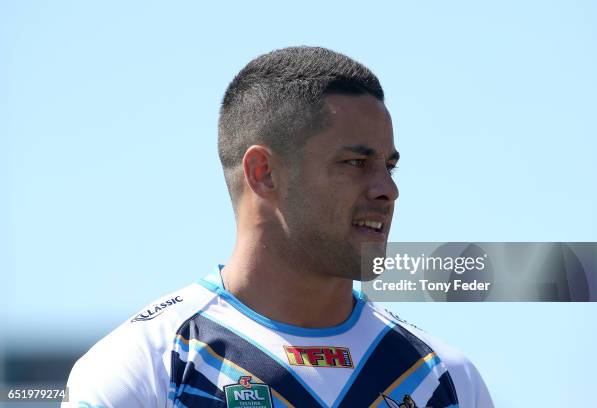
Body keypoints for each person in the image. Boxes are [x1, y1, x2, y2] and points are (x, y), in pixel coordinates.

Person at [64, 46, 494, 408]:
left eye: (390, 167)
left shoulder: (444, 379)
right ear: (264, 173)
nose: (386, 190)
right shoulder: (146, 367)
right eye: (356, 163)